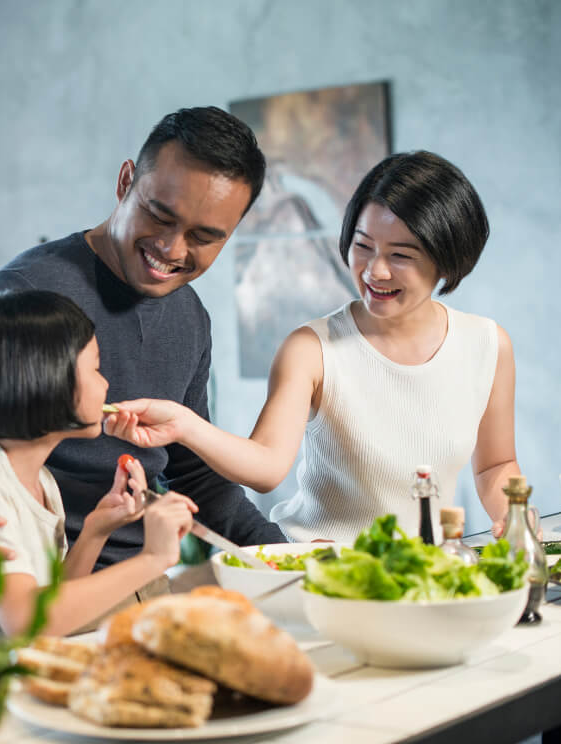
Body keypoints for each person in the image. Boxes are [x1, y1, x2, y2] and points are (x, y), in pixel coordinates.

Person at [0, 106, 286, 595]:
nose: (173, 249)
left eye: (204, 237)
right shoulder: (29, 288)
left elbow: (196, 475)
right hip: (35, 583)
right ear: (125, 182)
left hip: (139, 579)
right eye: (160, 215)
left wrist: (289, 557)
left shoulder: (190, 317)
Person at [104, 150, 521, 541]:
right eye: (362, 246)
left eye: (401, 256)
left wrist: (513, 517)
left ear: (447, 260)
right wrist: (184, 424)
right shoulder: (312, 348)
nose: (374, 270)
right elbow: (266, 465)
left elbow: (495, 465)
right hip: (315, 571)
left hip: (417, 576)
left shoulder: (487, 344)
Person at [0, 289, 196, 636]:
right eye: (95, 367)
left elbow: (55, 601)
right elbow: (26, 620)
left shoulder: (40, 479)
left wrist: (95, 530)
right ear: (47, 379)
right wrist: (153, 558)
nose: (106, 383)